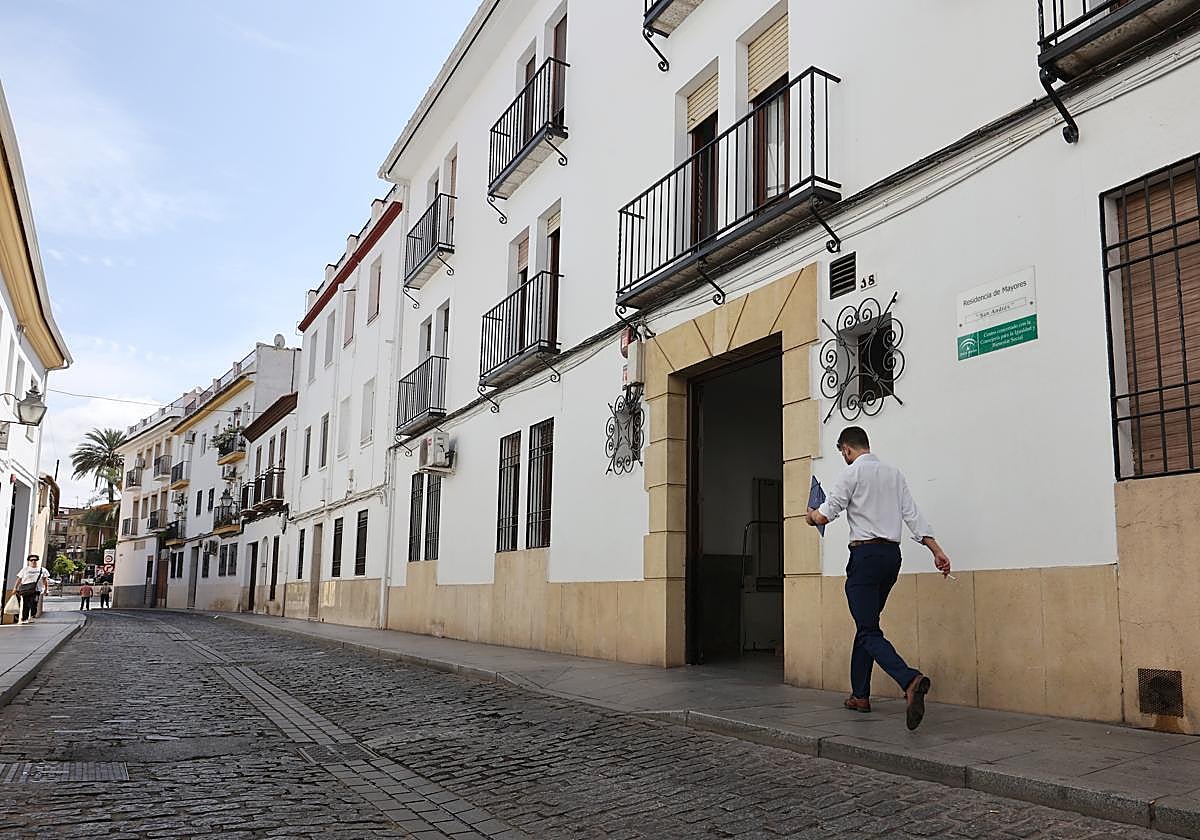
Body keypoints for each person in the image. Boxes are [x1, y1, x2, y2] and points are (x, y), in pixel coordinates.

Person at [805, 426, 952, 731]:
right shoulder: (894, 474)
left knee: (869, 630)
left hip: (865, 557)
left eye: (842, 453)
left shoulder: (851, 474)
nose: (844, 457)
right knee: (867, 624)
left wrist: (811, 515)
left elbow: (826, 514)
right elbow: (913, 515)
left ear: (847, 449)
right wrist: (937, 551)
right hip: (891, 559)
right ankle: (860, 696)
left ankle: (909, 680)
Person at [14, 555, 50, 624]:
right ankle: (25, 619)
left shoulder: (42, 570)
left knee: (34, 604)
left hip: (36, 590)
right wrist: (15, 588)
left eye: (35, 560)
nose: (33, 561)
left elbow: (45, 580)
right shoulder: (25, 569)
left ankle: (32, 616)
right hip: (26, 589)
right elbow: (19, 579)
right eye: (31, 560)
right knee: (26, 604)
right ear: (29, 561)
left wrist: (46, 589)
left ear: (37, 561)